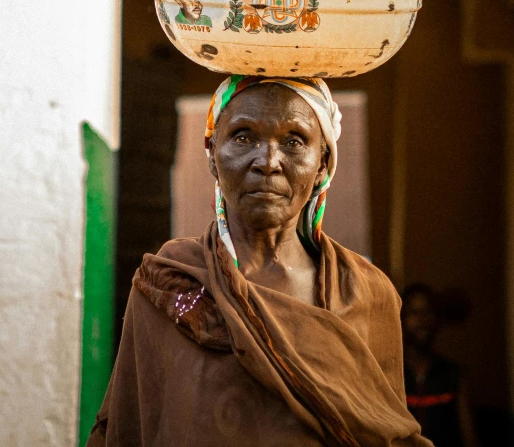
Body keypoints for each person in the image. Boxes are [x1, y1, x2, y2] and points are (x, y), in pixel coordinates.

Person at [88, 76, 432, 446]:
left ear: (323, 163)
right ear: (212, 155)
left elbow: (388, 432)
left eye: (294, 141)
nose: (267, 162)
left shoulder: (366, 292)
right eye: (243, 136)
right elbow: (128, 424)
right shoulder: (169, 283)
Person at [401, 284, 479, 447]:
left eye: (428, 312)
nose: (422, 320)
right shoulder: (390, 376)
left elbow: (469, 436)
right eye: (414, 313)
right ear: (401, 318)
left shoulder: (453, 374)